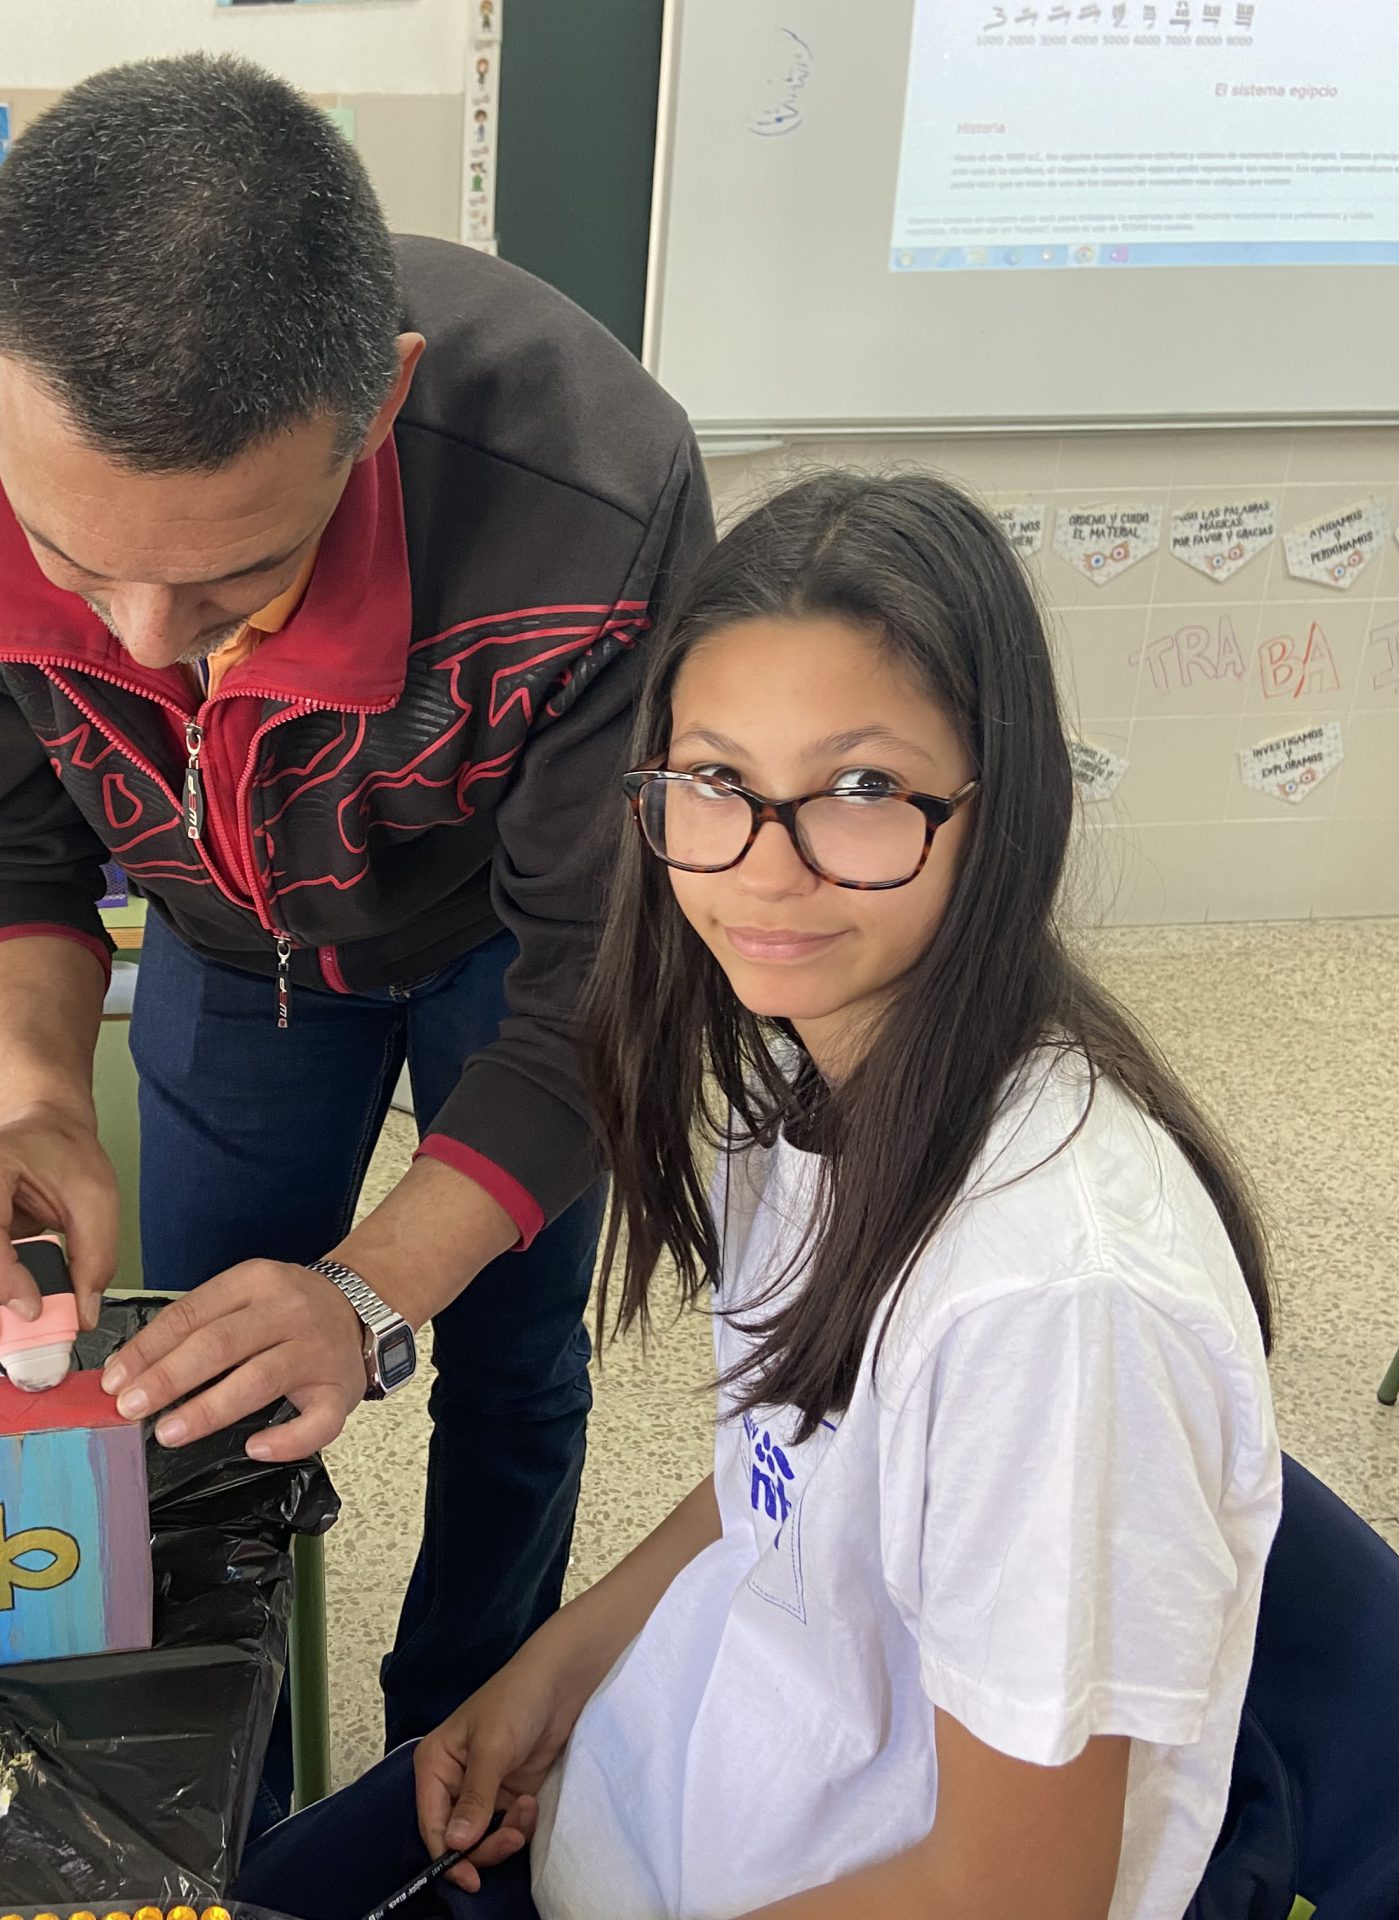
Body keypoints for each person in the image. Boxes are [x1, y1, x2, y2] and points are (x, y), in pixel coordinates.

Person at [0, 52, 713, 1761]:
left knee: (511, 1357)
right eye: (74, 565)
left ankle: (464, 1745)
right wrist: (36, 1106)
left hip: (509, 934)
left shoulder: (589, 492)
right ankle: (233, 1765)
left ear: (381, 404)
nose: (150, 645)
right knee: (198, 1375)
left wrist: (372, 1293)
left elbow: (607, 977)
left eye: (236, 573)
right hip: (226, 945)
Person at [233, 470, 1281, 1919]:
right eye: (716, 782)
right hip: (667, 1809)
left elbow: (1014, 1894)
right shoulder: (806, 1077)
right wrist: (555, 1669)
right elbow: (780, 1483)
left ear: (1001, 807)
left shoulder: (1053, 1307)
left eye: (862, 790)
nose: (764, 874)